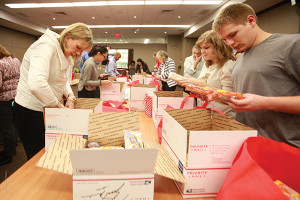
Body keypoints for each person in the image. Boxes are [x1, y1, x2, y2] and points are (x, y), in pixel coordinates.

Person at [213, 3, 300, 148]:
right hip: (250, 145)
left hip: (286, 149)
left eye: (233, 34)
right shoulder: (240, 59)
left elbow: (260, 100)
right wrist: (222, 97)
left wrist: (264, 102)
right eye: (224, 40)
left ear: (251, 21)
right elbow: (248, 98)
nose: (230, 43)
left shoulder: (291, 45)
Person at [14, 22, 93, 160]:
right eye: (78, 47)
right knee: (38, 157)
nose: (78, 53)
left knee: (51, 153)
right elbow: (36, 84)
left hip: (47, 110)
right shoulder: (46, 46)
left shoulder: (65, 52)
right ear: (68, 37)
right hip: (30, 111)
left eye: (82, 51)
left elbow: (61, 80)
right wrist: (57, 106)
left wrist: (70, 96)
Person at [178, 30, 236, 119]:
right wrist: (194, 87)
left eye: (206, 48)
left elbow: (228, 98)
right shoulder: (207, 64)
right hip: (207, 114)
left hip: (223, 117)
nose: (202, 51)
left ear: (219, 47)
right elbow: (206, 89)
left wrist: (200, 84)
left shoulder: (228, 64)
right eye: (201, 48)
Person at [0, 44, 20, 165]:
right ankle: (13, 146)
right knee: (13, 125)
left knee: (6, 128)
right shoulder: (15, 60)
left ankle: (8, 154)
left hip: (4, 99)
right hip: (16, 97)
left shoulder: (0, 64)